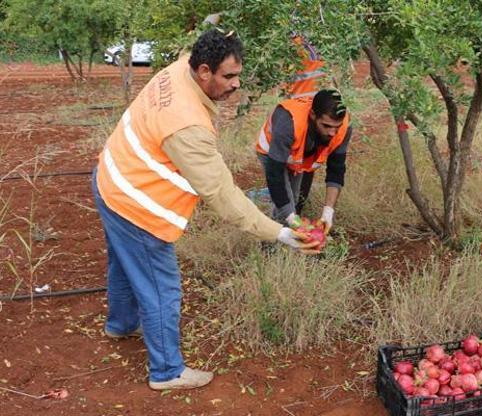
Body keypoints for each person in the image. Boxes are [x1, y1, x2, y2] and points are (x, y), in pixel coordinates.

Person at [92, 29, 319, 391]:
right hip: (137, 205)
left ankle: (120, 325)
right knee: (161, 287)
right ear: (203, 71)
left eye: (237, 74)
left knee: (124, 262)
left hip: (110, 179)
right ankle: (167, 372)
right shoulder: (187, 127)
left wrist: (220, 23)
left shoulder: (180, 65)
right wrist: (280, 233)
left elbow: (198, 36)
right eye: (228, 76)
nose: (236, 84)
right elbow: (222, 195)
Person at [255, 88, 351, 232]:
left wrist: (328, 213)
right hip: (272, 152)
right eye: (326, 126)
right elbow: (275, 175)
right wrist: (290, 217)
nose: (332, 133)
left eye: (336, 127)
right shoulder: (288, 122)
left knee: (293, 200)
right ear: (313, 115)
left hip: (299, 157)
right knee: (287, 207)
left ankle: (285, 233)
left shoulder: (344, 128)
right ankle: (272, 248)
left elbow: (336, 169)